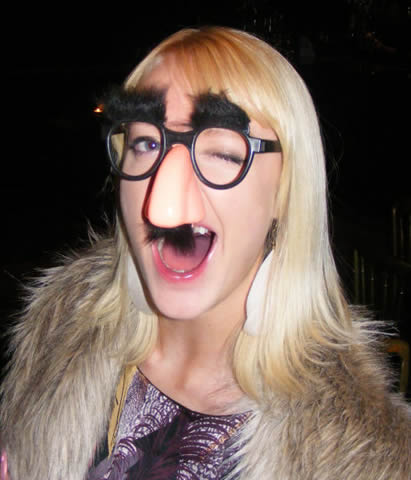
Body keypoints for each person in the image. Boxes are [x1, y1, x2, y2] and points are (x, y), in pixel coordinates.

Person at [0, 26, 410, 480]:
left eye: (222, 153)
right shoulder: (56, 338)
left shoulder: (366, 460)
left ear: (286, 191)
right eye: (146, 143)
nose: (161, 207)